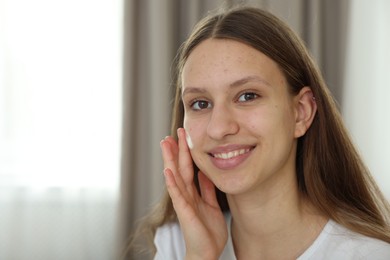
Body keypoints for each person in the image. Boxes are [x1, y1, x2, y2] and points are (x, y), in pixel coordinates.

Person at [133, 6, 390, 259]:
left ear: (301, 112)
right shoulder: (179, 244)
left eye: (247, 96)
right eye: (200, 103)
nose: (219, 128)